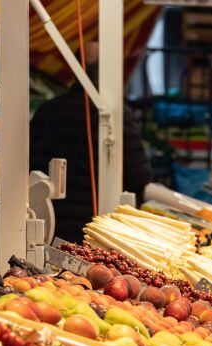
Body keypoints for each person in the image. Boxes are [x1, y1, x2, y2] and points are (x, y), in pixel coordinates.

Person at [30, 43, 153, 244]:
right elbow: (139, 175)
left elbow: (28, 167)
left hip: (50, 226)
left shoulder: (48, 111)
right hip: (98, 231)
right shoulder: (116, 116)